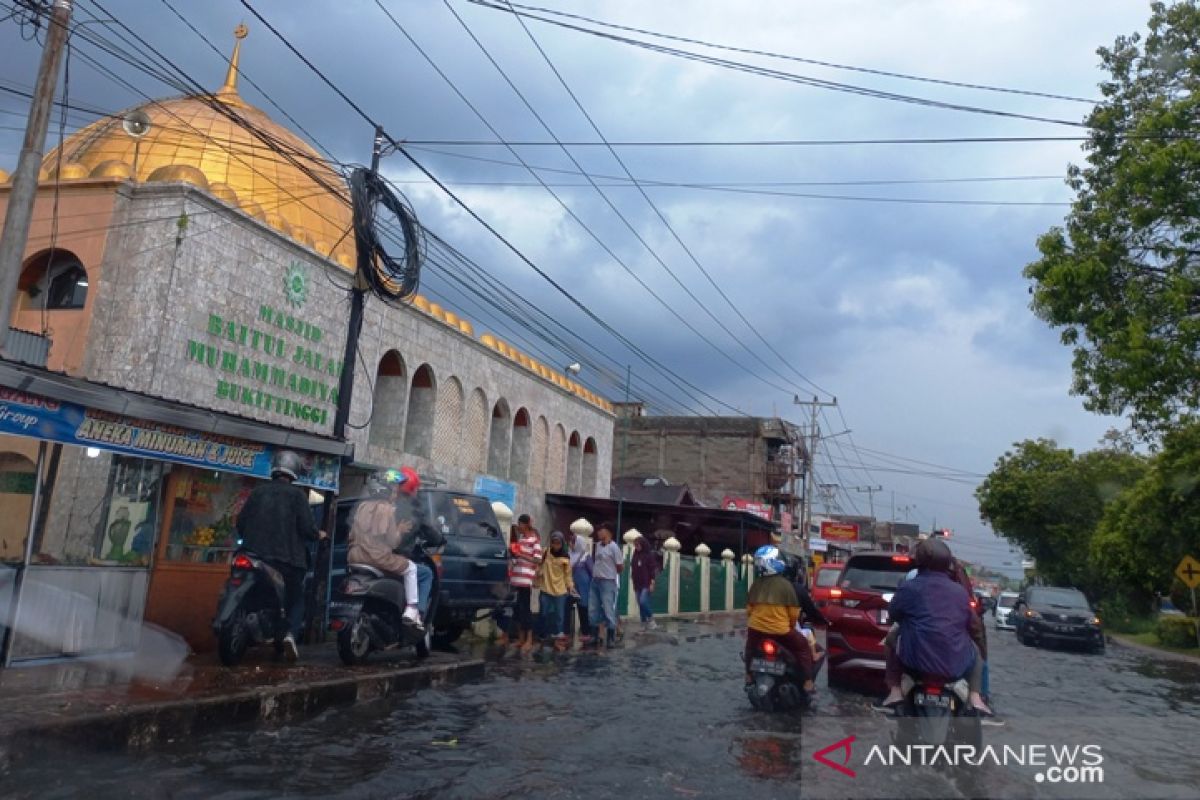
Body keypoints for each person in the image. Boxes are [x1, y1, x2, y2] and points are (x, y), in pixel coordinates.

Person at [881, 537, 992, 714]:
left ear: (919, 560)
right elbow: (975, 628)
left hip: (915, 662)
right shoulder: (960, 592)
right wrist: (982, 652)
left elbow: (893, 613)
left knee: (891, 640)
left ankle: (894, 691)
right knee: (977, 653)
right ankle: (975, 696)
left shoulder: (909, 587)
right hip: (955, 665)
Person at [235, 450, 327, 661]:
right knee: (296, 599)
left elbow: (241, 523)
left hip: (253, 555)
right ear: (294, 472)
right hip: (287, 561)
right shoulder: (297, 495)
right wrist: (318, 534)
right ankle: (289, 634)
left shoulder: (258, 492)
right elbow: (307, 528)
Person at [346, 468, 428, 631]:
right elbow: (392, 542)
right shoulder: (387, 509)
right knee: (411, 568)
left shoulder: (362, 506)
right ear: (386, 489)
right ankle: (412, 609)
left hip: (355, 557)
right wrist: (400, 530)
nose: (396, 492)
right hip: (378, 558)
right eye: (394, 488)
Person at [745, 545, 814, 691]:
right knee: (803, 647)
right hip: (781, 631)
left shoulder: (755, 585)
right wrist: (789, 625)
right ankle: (808, 681)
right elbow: (794, 613)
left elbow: (749, 610)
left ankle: (749, 675)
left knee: (750, 649)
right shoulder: (786, 585)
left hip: (756, 629)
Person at [509, 516, 543, 652]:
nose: (519, 526)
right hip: (516, 578)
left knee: (525, 610)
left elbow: (537, 560)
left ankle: (529, 640)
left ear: (526, 524)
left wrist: (521, 555)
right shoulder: (521, 540)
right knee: (516, 609)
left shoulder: (535, 541)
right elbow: (517, 557)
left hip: (525, 580)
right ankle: (520, 638)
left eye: (521, 524)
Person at [588, 522, 624, 648]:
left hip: (608, 581)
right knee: (593, 609)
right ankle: (595, 635)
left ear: (608, 532)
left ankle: (610, 637)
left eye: (601, 530)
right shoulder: (597, 545)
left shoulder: (614, 548)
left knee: (609, 609)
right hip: (595, 581)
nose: (598, 533)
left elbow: (620, 567)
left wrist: (610, 573)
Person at [538, 531, 575, 647]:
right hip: (546, 588)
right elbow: (538, 564)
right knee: (543, 613)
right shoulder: (545, 552)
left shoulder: (565, 557)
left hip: (560, 589)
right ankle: (543, 634)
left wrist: (570, 586)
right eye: (554, 543)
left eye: (558, 543)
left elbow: (567, 574)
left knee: (560, 614)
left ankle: (559, 634)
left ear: (562, 543)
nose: (556, 545)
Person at [565, 526, 593, 642]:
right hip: (571, 587)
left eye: (572, 542)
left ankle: (586, 632)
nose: (570, 545)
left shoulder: (586, 557)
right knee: (566, 606)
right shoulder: (568, 555)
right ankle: (565, 632)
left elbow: (592, 573)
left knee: (583, 609)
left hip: (583, 588)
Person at [631, 535, 660, 631]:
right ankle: (643, 623)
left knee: (643, 601)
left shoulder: (649, 555)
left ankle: (651, 619)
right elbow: (633, 569)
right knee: (640, 604)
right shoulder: (635, 555)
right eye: (635, 545)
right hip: (637, 583)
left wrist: (652, 582)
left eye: (638, 545)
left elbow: (653, 569)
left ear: (643, 544)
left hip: (646, 583)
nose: (636, 547)